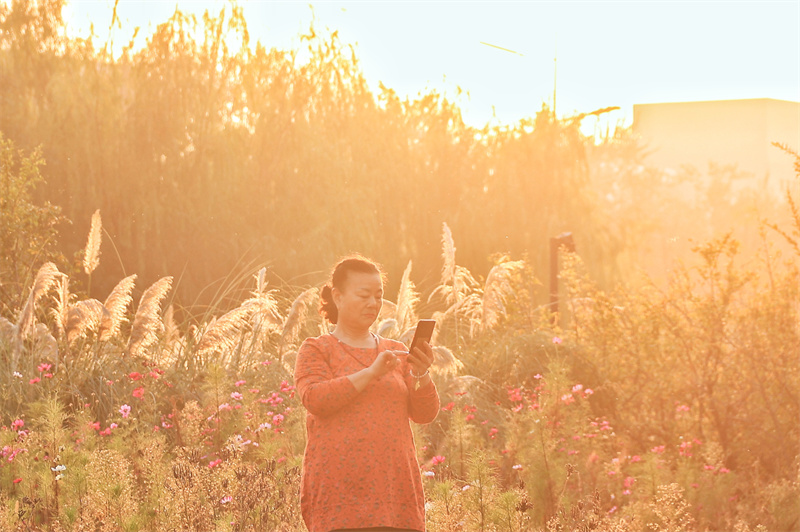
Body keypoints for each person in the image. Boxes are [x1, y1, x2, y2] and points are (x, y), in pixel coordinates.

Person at [294, 255, 440, 532]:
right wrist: (371, 372)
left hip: (396, 494)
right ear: (337, 296)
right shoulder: (316, 349)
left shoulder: (396, 350)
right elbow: (316, 399)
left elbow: (425, 413)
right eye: (363, 295)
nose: (373, 303)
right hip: (339, 498)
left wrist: (421, 372)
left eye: (378, 296)